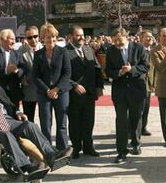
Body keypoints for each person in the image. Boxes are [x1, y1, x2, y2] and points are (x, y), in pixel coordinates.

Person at [0, 68, 71, 175]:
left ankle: (51, 154)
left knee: (29, 125)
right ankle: (27, 166)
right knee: (6, 135)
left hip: (8, 120)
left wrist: (18, 112)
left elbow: (10, 105)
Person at [105, 28, 149, 163]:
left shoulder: (139, 48)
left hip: (137, 90)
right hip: (120, 91)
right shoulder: (111, 51)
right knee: (121, 120)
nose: (117, 43)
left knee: (136, 117)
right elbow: (108, 70)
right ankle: (121, 151)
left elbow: (146, 66)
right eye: (114, 41)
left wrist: (132, 69)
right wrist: (118, 73)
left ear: (126, 37)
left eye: (120, 40)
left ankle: (136, 143)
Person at [66, 26, 104, 159]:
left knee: (89, 121)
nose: (81, 37)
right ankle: (76, 148)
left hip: (89, 94)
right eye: (78, 35)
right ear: (70, 37)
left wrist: (99, 87)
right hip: (73, 95)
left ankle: (88, 147)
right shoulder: (64, 52)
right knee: (75, 122)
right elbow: (61, 74)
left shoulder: (88, 49)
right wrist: (74, 85)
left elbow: (97, 68)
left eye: (82, 35)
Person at [33, 23, 72, 150]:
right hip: (44, 94)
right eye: (48, 37)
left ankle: (62, 150)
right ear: (42, 38)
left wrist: (56, 89)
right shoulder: (38, 54)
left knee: (62, 123)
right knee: (45, 124)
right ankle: (47, 150)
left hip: (61, 92)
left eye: (54, 36)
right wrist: (47, 90)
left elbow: (67, 73)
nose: (51, 39)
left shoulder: (63, 52)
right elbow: (35, 76)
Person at [0, 29, 27, 107]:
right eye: (11, 39)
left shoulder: (17, 54)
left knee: (15, 116)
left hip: (14, 93)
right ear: (2, 40)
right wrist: (6, 70)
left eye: (14, 39)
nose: (14, 42)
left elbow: (23, 68)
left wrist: (17, 71)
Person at [18, 26, 42, 122]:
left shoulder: (47, 48)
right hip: (29, 89)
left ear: (39, 36)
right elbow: (18, 67)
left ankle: (45, 137)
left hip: (45, 90)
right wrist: (22, 78)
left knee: (46, 120)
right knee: (29, 119)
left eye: (35, 36)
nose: (33, 39)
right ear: (26, 38)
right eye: (29, 37)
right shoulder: (20, 51)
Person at [140, 30, 156, 136]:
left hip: (149, 84)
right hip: (139, 83)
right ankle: (134, 128)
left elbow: (154, 69)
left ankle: (143, 127)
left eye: (151, 37)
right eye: (147, 37)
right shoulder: (137, 50)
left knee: (146, 107)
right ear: (141, 38)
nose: (149, 38)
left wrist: (154, 82)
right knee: (138, 109)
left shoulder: (152, 52)